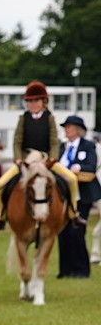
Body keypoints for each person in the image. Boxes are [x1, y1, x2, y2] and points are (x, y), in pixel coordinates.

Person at [0, 81, 83, 230]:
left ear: (43, 102)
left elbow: (54, 140)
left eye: (36, 101)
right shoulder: (23, 118)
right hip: (26, 160)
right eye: (29, 101)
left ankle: (73, 213)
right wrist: (18, 158)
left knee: (72, 179)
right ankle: (1, 216)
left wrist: (53, 158)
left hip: (46, 160)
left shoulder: (50, 118)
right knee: (0, 184)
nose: (33, 104)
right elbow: (17, 141)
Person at [56, 115, 99, 279]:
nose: (67, 130)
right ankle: (65, 269)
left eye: (70, 127)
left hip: (81, 195)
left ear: (78, 130)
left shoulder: (87, 146)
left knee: (77, 232)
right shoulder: (62, 147)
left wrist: (78, 166)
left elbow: (91, 166)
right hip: (64, 195)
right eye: (66, 127)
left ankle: (81, 269)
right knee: (63, 232)